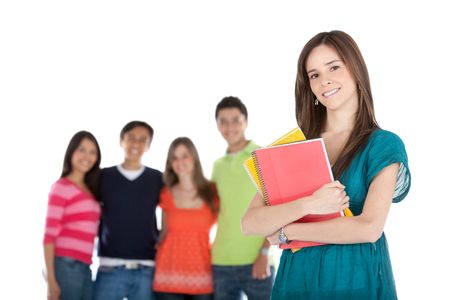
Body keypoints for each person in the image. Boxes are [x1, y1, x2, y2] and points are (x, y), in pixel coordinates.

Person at [241, 30, 411, 299]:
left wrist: (286, 232)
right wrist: (309, 204)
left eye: (334, 67)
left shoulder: (384, 145)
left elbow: (368, 228)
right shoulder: (293, 146)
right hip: (297, 281)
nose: (325, 80)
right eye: (314, 74)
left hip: (355, 278)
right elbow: (250, 223)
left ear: (356, 70)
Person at [212, 96, 274, 300]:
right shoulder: (218, 165)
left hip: (256, 261)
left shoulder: (262, 155)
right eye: (223, 121)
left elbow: (277, 208)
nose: (230, 127)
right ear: (217, 126)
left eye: (235, 120)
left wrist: (264, 254)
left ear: (245, 122)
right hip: (221, 261)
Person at [94, 121, 163, 300]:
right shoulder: (103, 177)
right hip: (110, 267)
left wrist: (164, 237)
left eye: (142, 140)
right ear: (121, 141)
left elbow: (175, 208)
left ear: (148, 146)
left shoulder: (157, 179)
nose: (136, 144)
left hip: (145, 268)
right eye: (131, 138)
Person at [153, 137, 219, 300]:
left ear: (194, 158)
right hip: (168, 274)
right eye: (174, 157)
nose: (179, 161)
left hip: (202, 274)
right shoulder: (166, 193)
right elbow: (164, 233)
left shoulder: (212, 191)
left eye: (184, 155)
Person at [43, 131, 102, 300]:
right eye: (82, 150)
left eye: (92, 152)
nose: (87, 156)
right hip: (66, 264)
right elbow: (48, 237)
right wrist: (51, 281)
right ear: (71, 152)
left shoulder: (91, 190)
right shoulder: (61, 187)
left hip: (85, 265)